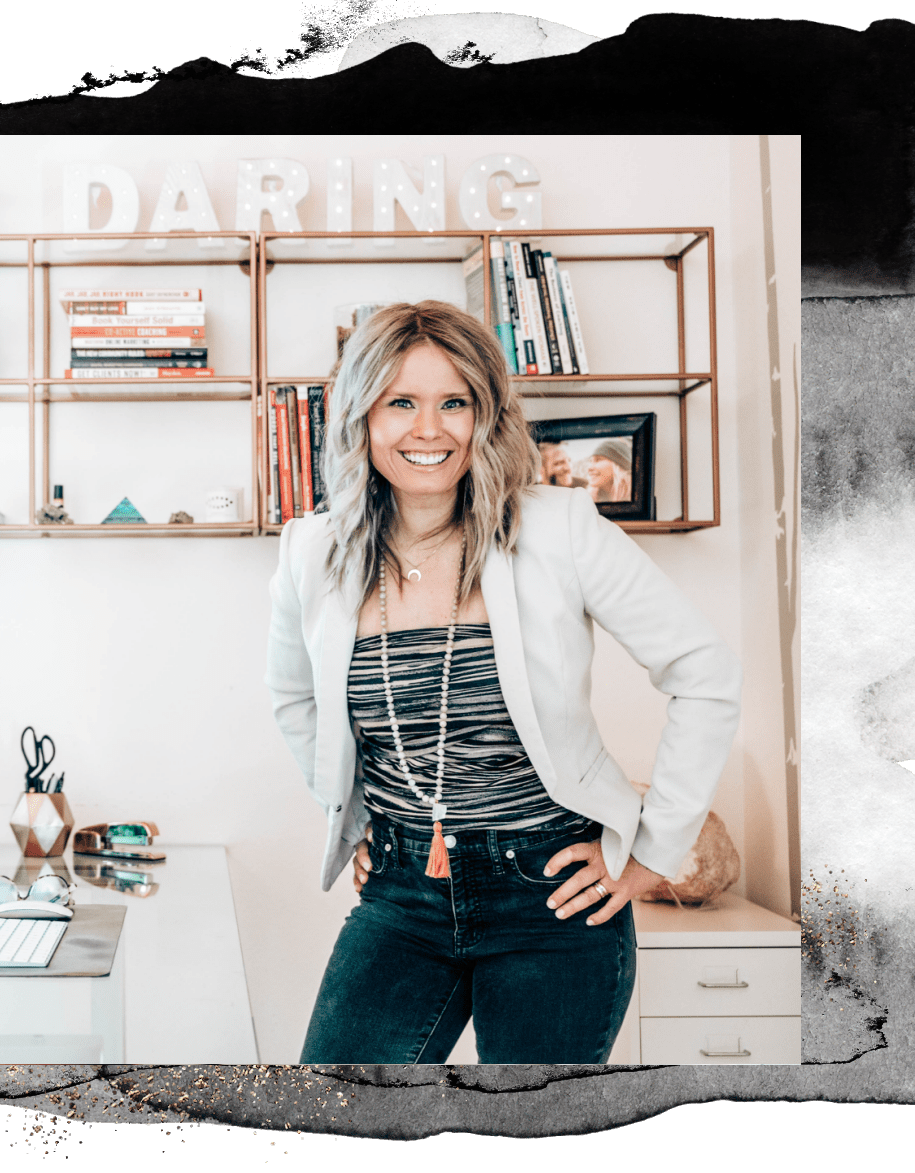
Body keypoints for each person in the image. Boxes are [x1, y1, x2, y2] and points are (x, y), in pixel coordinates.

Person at [264, 300, 740, 1065]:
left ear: (484, 414)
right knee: (331, 1106)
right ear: (361, 417)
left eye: (453, 402)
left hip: (550, 895)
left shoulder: (559, 528)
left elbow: (703, 671)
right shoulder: (311, 551)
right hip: (399, 891)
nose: (429, 430)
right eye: (400, 403)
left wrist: (654, 852)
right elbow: (293, 698)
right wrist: (349, 812)